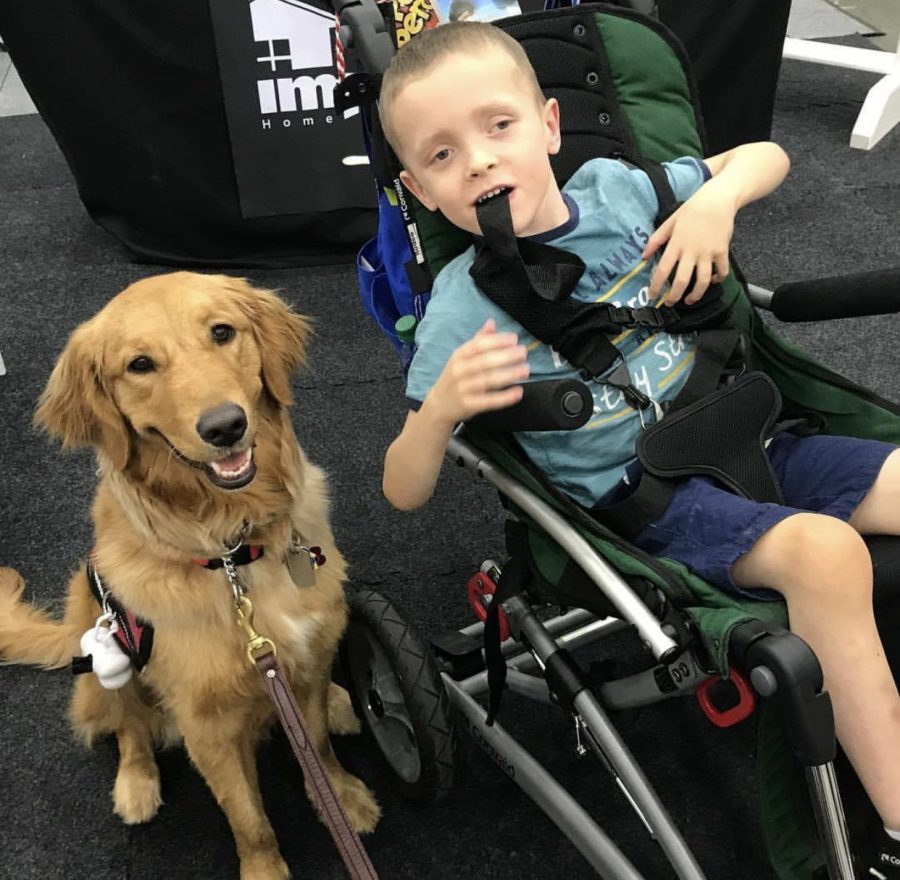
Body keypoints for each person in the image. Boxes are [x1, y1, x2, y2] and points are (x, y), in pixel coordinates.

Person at [378, 20, 900, 875]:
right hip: (648, 503)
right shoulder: (458, 317)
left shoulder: (621, 190)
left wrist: (712, 202)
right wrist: (436, 413)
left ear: (549, 124)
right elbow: (403, 489)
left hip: (748, 426)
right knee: (827, 552)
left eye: (498, 126)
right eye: (441, 156)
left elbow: (766, 156)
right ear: (419, 191)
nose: (476, 162)